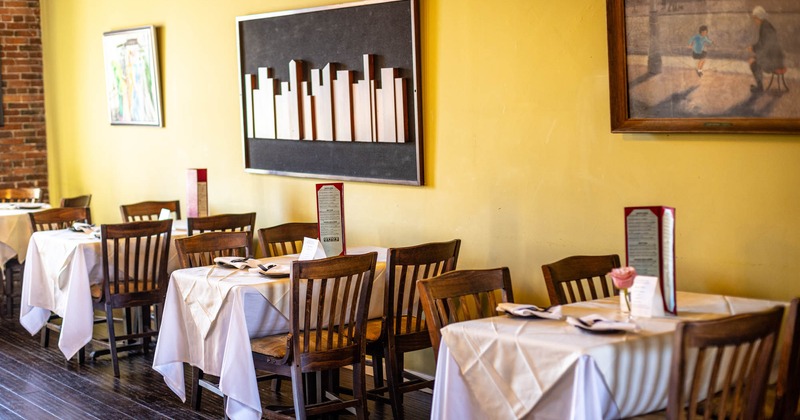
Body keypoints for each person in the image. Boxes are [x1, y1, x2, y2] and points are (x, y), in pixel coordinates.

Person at [747, 6, 785, 92]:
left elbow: (765, 46)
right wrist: (754, 49)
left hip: (774, 61)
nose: (754, 20)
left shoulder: (765, 27)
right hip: (774, 58)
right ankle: (759, 87)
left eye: (755, 18)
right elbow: (763, 44)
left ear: (758, 17)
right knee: (753, 60)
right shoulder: (765, 25)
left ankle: (760, 88)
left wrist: (753, 49)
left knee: (753, 64)